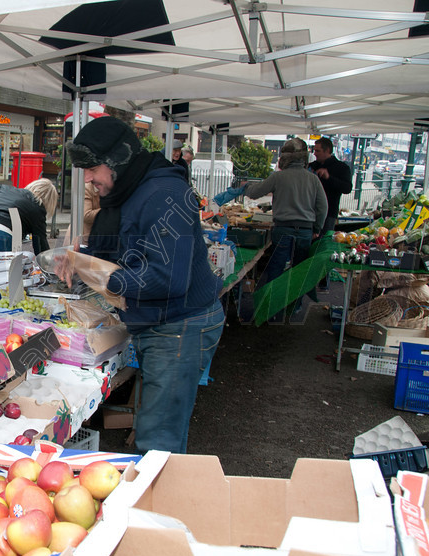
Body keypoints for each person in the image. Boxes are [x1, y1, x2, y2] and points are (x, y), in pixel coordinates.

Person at [62, 116, 225, 454]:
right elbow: (126, 245)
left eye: (92, 168)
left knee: (157, 439)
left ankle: (158, 501)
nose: (88, 178)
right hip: (162, 321)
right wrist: (83, 260)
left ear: (118, 160)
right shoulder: (131, 189)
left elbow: (169, 277)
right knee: (156, 428)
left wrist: (108, 278)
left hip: (180, 325)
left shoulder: (164, 193)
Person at [245, 138, 327, 315]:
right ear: (304, 158)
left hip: (283, 229)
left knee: (275, 267)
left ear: (284, 157)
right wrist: (317, 229)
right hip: (305, 230)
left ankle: (267, 307)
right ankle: (294, 306)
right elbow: (323, 207)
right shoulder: (313, 179)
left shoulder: (278, 176)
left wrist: (246, 187)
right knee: (298, 271)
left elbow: (254, 192)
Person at [309, 137, 352, 233]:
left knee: (322, 242)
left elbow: (347, 188)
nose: (314, 153)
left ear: (327, 150)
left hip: (329, 214)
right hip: (308, 213)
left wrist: (329, 178)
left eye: (317, 151)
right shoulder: (312, 166)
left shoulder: (342, 168)